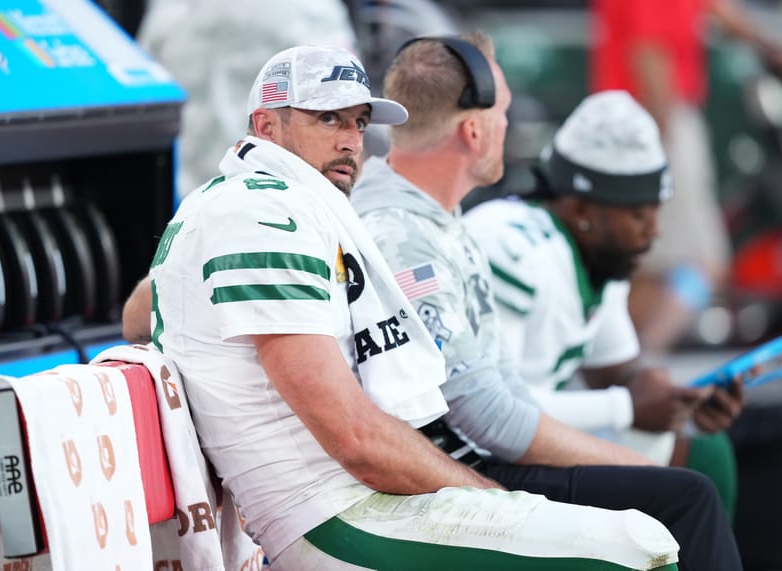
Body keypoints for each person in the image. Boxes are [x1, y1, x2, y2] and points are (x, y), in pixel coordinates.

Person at [133, 44, 684, 569]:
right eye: (328, 119)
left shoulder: (245, 204)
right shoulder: (261, 214)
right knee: (636, 543)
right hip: (332, 518)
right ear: (266, 125)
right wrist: (490, 498)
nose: (351, 141)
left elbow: (143, 308)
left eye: (358, 122)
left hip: (346, 499)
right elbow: (358, 440)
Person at [351, 34, 742, 570]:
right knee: (683, 496)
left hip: (470, 458)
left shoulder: (435, 220)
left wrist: (659, 421)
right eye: (504, 112)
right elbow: (488, 417)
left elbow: (509, 391)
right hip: (445, 478)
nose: (509, 125)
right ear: (473, 130)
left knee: (686, 482)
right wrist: (630, 461)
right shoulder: (404, 234)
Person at [464, 89, 745, 518]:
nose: (653, 232)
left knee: (702, 449)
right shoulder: (511, 246)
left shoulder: (596, 256)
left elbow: (618, 375)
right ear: (580, 208)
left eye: (656, 212)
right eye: (639, 215)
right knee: (683, 487)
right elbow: (493, 412)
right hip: (473, 461)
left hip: (524, 445)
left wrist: (682, 402)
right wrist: (630, 406)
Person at [590, 0, 782, 351]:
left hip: (658, 116)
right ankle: (635, 367)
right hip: (653, 117)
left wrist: (769, 43)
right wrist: (655, 144)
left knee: (653, 264)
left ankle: (627, 366)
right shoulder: (653, 124)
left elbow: (716, 7)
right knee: (696, 263)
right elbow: (647, 50)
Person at [137, 0, 356, 199]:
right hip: (279, 201)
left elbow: (141, 97)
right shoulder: (311, 12)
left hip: (185, 196)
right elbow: (342, 105)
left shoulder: (170, 10)